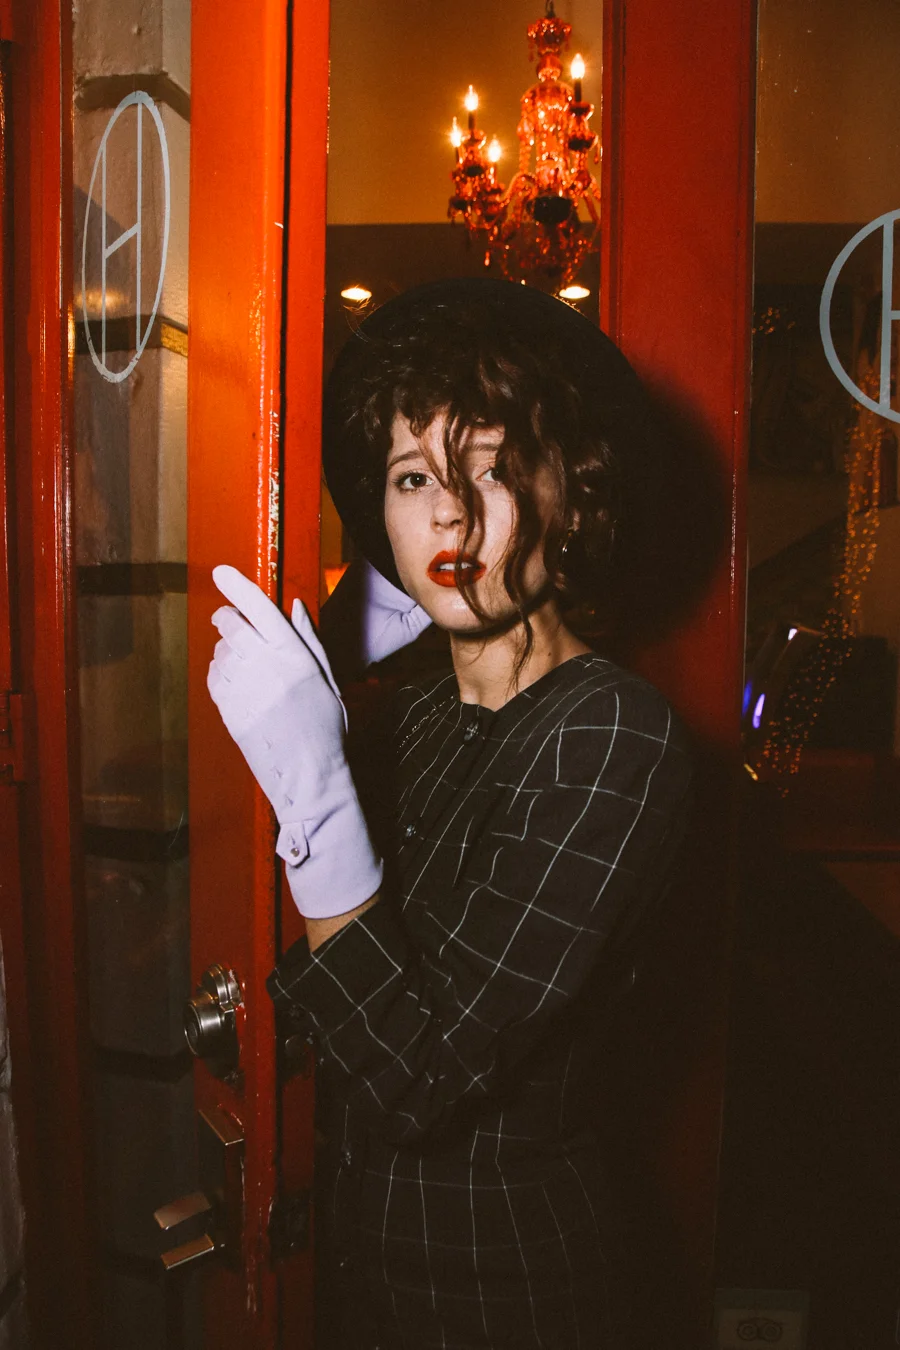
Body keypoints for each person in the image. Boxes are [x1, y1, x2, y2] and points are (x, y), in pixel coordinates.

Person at [207, 278, 695, 1349]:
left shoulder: (613, 731)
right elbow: (337, 995)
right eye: (414, 476)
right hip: (361, 1277)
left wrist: (317, 789)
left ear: (577, 498)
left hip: (508, 1292)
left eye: (495, 467)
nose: (451, 514)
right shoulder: (422, 715)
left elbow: (417, 1079)